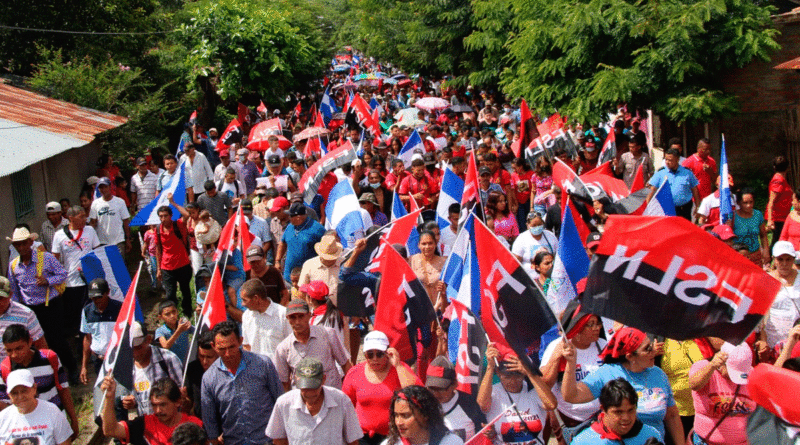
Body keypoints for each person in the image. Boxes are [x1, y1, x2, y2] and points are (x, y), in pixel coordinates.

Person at [561, 327, 684, 444]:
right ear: (630, 356)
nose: (654, 350)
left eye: (651, 345)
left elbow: (672, 416)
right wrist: (571, 363)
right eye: (647, 349)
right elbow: (571, 396)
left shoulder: (658, 374)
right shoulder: (607, 373)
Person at [6, 227, 75, 383]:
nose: (21, 248)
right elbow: (14, 290)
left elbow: (62, 274)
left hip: (51, 305)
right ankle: (45, 374)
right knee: (35, 343)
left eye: (24, 244)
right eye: (18, 245)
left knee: (56, 339)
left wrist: (48, 281)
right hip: (30, 310)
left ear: (31, 242)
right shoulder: (14, 265)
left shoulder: (46, 258)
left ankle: (71, 369)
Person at [201, 321, 284, 445]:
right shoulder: (209, 378)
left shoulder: (263, 364)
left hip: (267, 440)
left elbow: (280, 402)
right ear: (213, 346)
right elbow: (210, 421)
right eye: (222, 349)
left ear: (240, 341)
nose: (228, 354)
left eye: (232, 347)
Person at [342, 331, 420, 445]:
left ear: (388, 352)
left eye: (379, 354)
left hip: (394, 436)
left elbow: (416, 395)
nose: (374, 358)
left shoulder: (400, 369)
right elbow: (345, 405)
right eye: (370, 354)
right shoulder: (355, 373)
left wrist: (398, 365)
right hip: (362, 437)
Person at [0, 324, 78, 437]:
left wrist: (73, 420)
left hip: (56, 422)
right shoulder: (5, 369)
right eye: (9, 350)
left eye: (19, 348)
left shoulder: (49, 358)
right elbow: (5, 405)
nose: (14, 355)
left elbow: (63, 389)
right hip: (28, 429)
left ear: (30, 342)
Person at [266, 357, 364, 445]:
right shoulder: (283, 404)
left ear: (323, 379)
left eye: (313, 386)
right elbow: (278, 440)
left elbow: (353, 441)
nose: (309, 392)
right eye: (305, 387)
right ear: (295, 381)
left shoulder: (342, 401)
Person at [540, 300, 606, 426]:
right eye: (591, 324)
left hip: (602, 416)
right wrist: (555, 357)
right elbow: (544, 385)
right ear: (578, 327)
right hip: (570, 418)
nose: (597, 328)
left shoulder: (603, 345)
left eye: (598, 323)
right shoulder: (557, 346)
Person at [477, 345, 557, 445]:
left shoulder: (532, 389)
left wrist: (530, 372)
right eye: (507, 376)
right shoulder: (494, 392)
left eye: (518, 375)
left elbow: (552, 405)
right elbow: (482, 403)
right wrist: (490, 366)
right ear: (498, 372)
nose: (513, 381)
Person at [686, 342, 755, 445]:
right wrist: (712, 366)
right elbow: (693, 385)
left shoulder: (749, 374)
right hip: (707, 441)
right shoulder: (704, 368)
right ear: (722, 362)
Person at [274, 299, 351, 391]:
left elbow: (346, 365)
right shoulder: (283, 348)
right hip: (303, 401)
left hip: (332, 398)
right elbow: (284, 383)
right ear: (288, 319)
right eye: (293, 317)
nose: (297, 322)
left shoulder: (327, 334)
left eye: (301, 316)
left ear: (309, 315)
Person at [101, 376, 203, 445]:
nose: (158, 410)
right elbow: (110, 430)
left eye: (163, 404)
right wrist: (109, 398)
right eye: (154, 405)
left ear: (177, 402)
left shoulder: (195, 425)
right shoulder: (144, 424)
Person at [51, 205, 101, 333]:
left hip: (90, 278)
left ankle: (92, 332)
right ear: (71, 218)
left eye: (85, 215)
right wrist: (57, 281)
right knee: (74, 312)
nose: (85, 219)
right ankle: (79, 336)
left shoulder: (90, 231)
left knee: (91, 307)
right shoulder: (59, 235)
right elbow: (54, 260)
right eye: (82, 216)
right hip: (71, 281)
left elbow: (98, 252)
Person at [79, 278, 123, 418]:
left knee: (119, 398)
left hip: (117, 360)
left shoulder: (120, 309)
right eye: (93, 297)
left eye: (99, 296)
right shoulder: (87, 312)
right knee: (104, 396)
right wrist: (84, 366)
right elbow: (87, 339)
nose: (96, 300)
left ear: (108, 293)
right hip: (98, 360)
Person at [570, 378, 662, 444]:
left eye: (631, 410)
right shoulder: (583, 442)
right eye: (618, 412)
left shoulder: (651, 435)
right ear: (603, 409)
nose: (626, 418)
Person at [0, 369, 72, 445]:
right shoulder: (3, 418)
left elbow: (65, 442)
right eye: (14, 393)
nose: (20, 397)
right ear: (9, 395)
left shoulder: (52, 412)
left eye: (24, 391)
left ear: (34, 388)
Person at [425, 356, 486, 442]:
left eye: (441, 388)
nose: (435, 393)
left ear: (454, 384)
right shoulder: (423, 406)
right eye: (432, 388)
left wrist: (490, 433)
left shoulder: (469, 404)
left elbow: (483, 435)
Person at [382, 385, 464, 445]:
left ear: (425, 414)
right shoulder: (389, 444)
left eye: (406, 416)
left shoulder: (451, 442)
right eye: (396, 415)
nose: (399, 422)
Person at [758, 241, 800, 351]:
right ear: (774, 260)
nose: (784, 263)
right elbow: (760, 314)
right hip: (774, 339)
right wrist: (763, 340)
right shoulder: (766, 280)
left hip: (797, 339)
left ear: (793, 259)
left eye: (788, 259)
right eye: (780, 259)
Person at [154, 206, 194, 317]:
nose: (163, 219)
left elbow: (186, 215)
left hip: (183, 264)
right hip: (167, 267)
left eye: (165, 216)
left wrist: (173, 202)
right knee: (170, 294)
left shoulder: (178, 225)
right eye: (161, 216)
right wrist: (158, 269)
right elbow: (158, 249)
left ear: (171, 216)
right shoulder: (157, 230)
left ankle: (188, 313)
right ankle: (173, 316)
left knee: (185, 290)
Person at [240, 278, 290, 364]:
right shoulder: (246, 316)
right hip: (256, 371)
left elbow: (290, 346)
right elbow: (246, 346)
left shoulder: (283, 314)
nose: (242, 304)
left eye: (245, 300)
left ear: (256, 298)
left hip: (279, 371)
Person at [0, 277, 46, 365]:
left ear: (10, 295)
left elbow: (40, 345)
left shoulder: (26, 314)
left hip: (18, 370)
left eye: (1, 298)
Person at [646, 148, 700, 221]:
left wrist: (697, 207)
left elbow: (695, 190)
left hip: (684, 209)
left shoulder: (687, 173)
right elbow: (651, 191)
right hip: (666, 210)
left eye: (670, 160)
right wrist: (648, 208)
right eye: (666, 159)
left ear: (677, 159)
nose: (667, 162)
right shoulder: (660, 173)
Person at [277, 203, 326, 282]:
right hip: (289, 277)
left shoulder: (317, 229)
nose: (288, 218)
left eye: (291, 216)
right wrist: (277, 260)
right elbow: (282, 243)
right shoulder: (290, 227)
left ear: (298, 217)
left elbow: (326, 248)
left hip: (309, 278)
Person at [298, 234, 344, 306]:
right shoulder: (309, 265)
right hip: (316, 312)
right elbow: (302, 291)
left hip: (340, 311)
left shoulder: (344, 264)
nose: (329, 260)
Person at [90, 177, 132, 254]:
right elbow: (93, 223)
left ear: (110, 187)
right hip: (102, 242)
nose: (103, 190)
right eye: (101, 187)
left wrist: (128, 239)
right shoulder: (95, 203)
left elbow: (126, 221)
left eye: (105, 187)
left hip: (118, 241)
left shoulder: (120, 202)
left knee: (119, 265)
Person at [182, 331, 217, 418]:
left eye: (209, 357)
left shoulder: (226, 370)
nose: (205, 362)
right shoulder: (192, 369)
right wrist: (183, 400)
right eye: (201, 356)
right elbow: (189, 402)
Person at [409, 231, 447, 311]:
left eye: (430, 243)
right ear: (419, 245)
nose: (427, 247)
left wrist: (437, 307)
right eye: (424, 244)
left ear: (435, 244)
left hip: (440, 310)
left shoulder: (444, 262)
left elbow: (448, 291)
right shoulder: (411, 260)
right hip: (419, 312)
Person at [732, 188, 768, 267]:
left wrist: (766, 251)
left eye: (751, 202)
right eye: (745, 203)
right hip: (739, 258)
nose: (749, 205)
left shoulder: (758, 215)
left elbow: (763, 235)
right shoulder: (733, 216)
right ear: (739, 203)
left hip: (756, 256)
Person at [155, 301, 194, 365]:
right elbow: (165, 346)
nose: (172, 316)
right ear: (160, 317)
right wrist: (179, 331)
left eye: (174, 312)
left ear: (177, 312)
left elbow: (198, 331)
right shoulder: (160, 331)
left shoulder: (183, 324)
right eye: (167, 314)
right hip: (173, 365)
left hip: (188, 362)